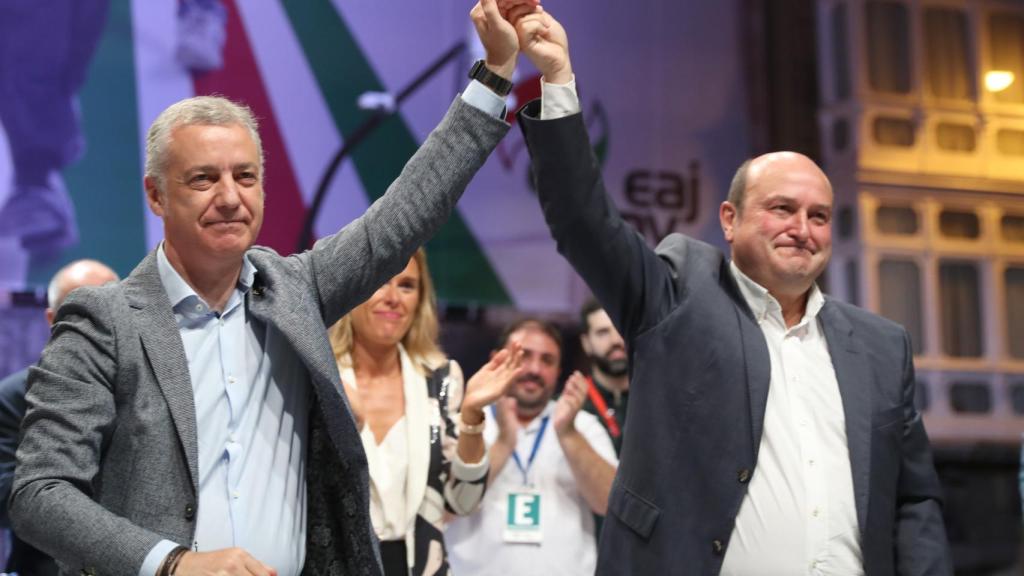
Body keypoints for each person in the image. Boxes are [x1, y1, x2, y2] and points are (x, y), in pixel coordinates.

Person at [9, 1, 528, 573]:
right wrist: (172, 563)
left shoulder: (296, 291)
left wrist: (496, 73)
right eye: (203, 179)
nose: (230, 197)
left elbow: (407, 212)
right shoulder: (103, 320)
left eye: (245, 176)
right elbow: (40, 494)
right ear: (157, 196)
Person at [505, 5, 952, 575]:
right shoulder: (677, 296)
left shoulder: (883, 347)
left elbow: (914, 502)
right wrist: (558, 79)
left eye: (819, 216)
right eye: (782, 209)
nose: (802, 228)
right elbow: (582, 221)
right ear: (729, 219)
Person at [328, 248, 522, 576]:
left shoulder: (443, 380)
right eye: (379, 283)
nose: (393, 298)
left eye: (406, 286)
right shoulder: (321, 376)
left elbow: (463, 502)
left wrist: (472, 414)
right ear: (352, 290)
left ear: (420, 300)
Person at [445, 318, 617, 576]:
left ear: (559, 370)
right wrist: (504, 443)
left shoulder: (583, 425)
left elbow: (612, 506)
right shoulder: (466, 424)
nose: (535, 369)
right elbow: (445, 511)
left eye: (547, 360)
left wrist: (568, 434)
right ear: (497, 359)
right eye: (524, 356)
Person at [0, 259, 119, 576]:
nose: (97, 325)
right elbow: (6, 499)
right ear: (52, 319)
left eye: (108, 310)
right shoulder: (14, 397)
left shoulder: (152, 388)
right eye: (81, 314)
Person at [578, 298, 629, 455]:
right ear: (586, 343)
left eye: (621, 329)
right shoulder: (573, 404)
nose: (616, 341)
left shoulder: (659, 400)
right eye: (603, 332)